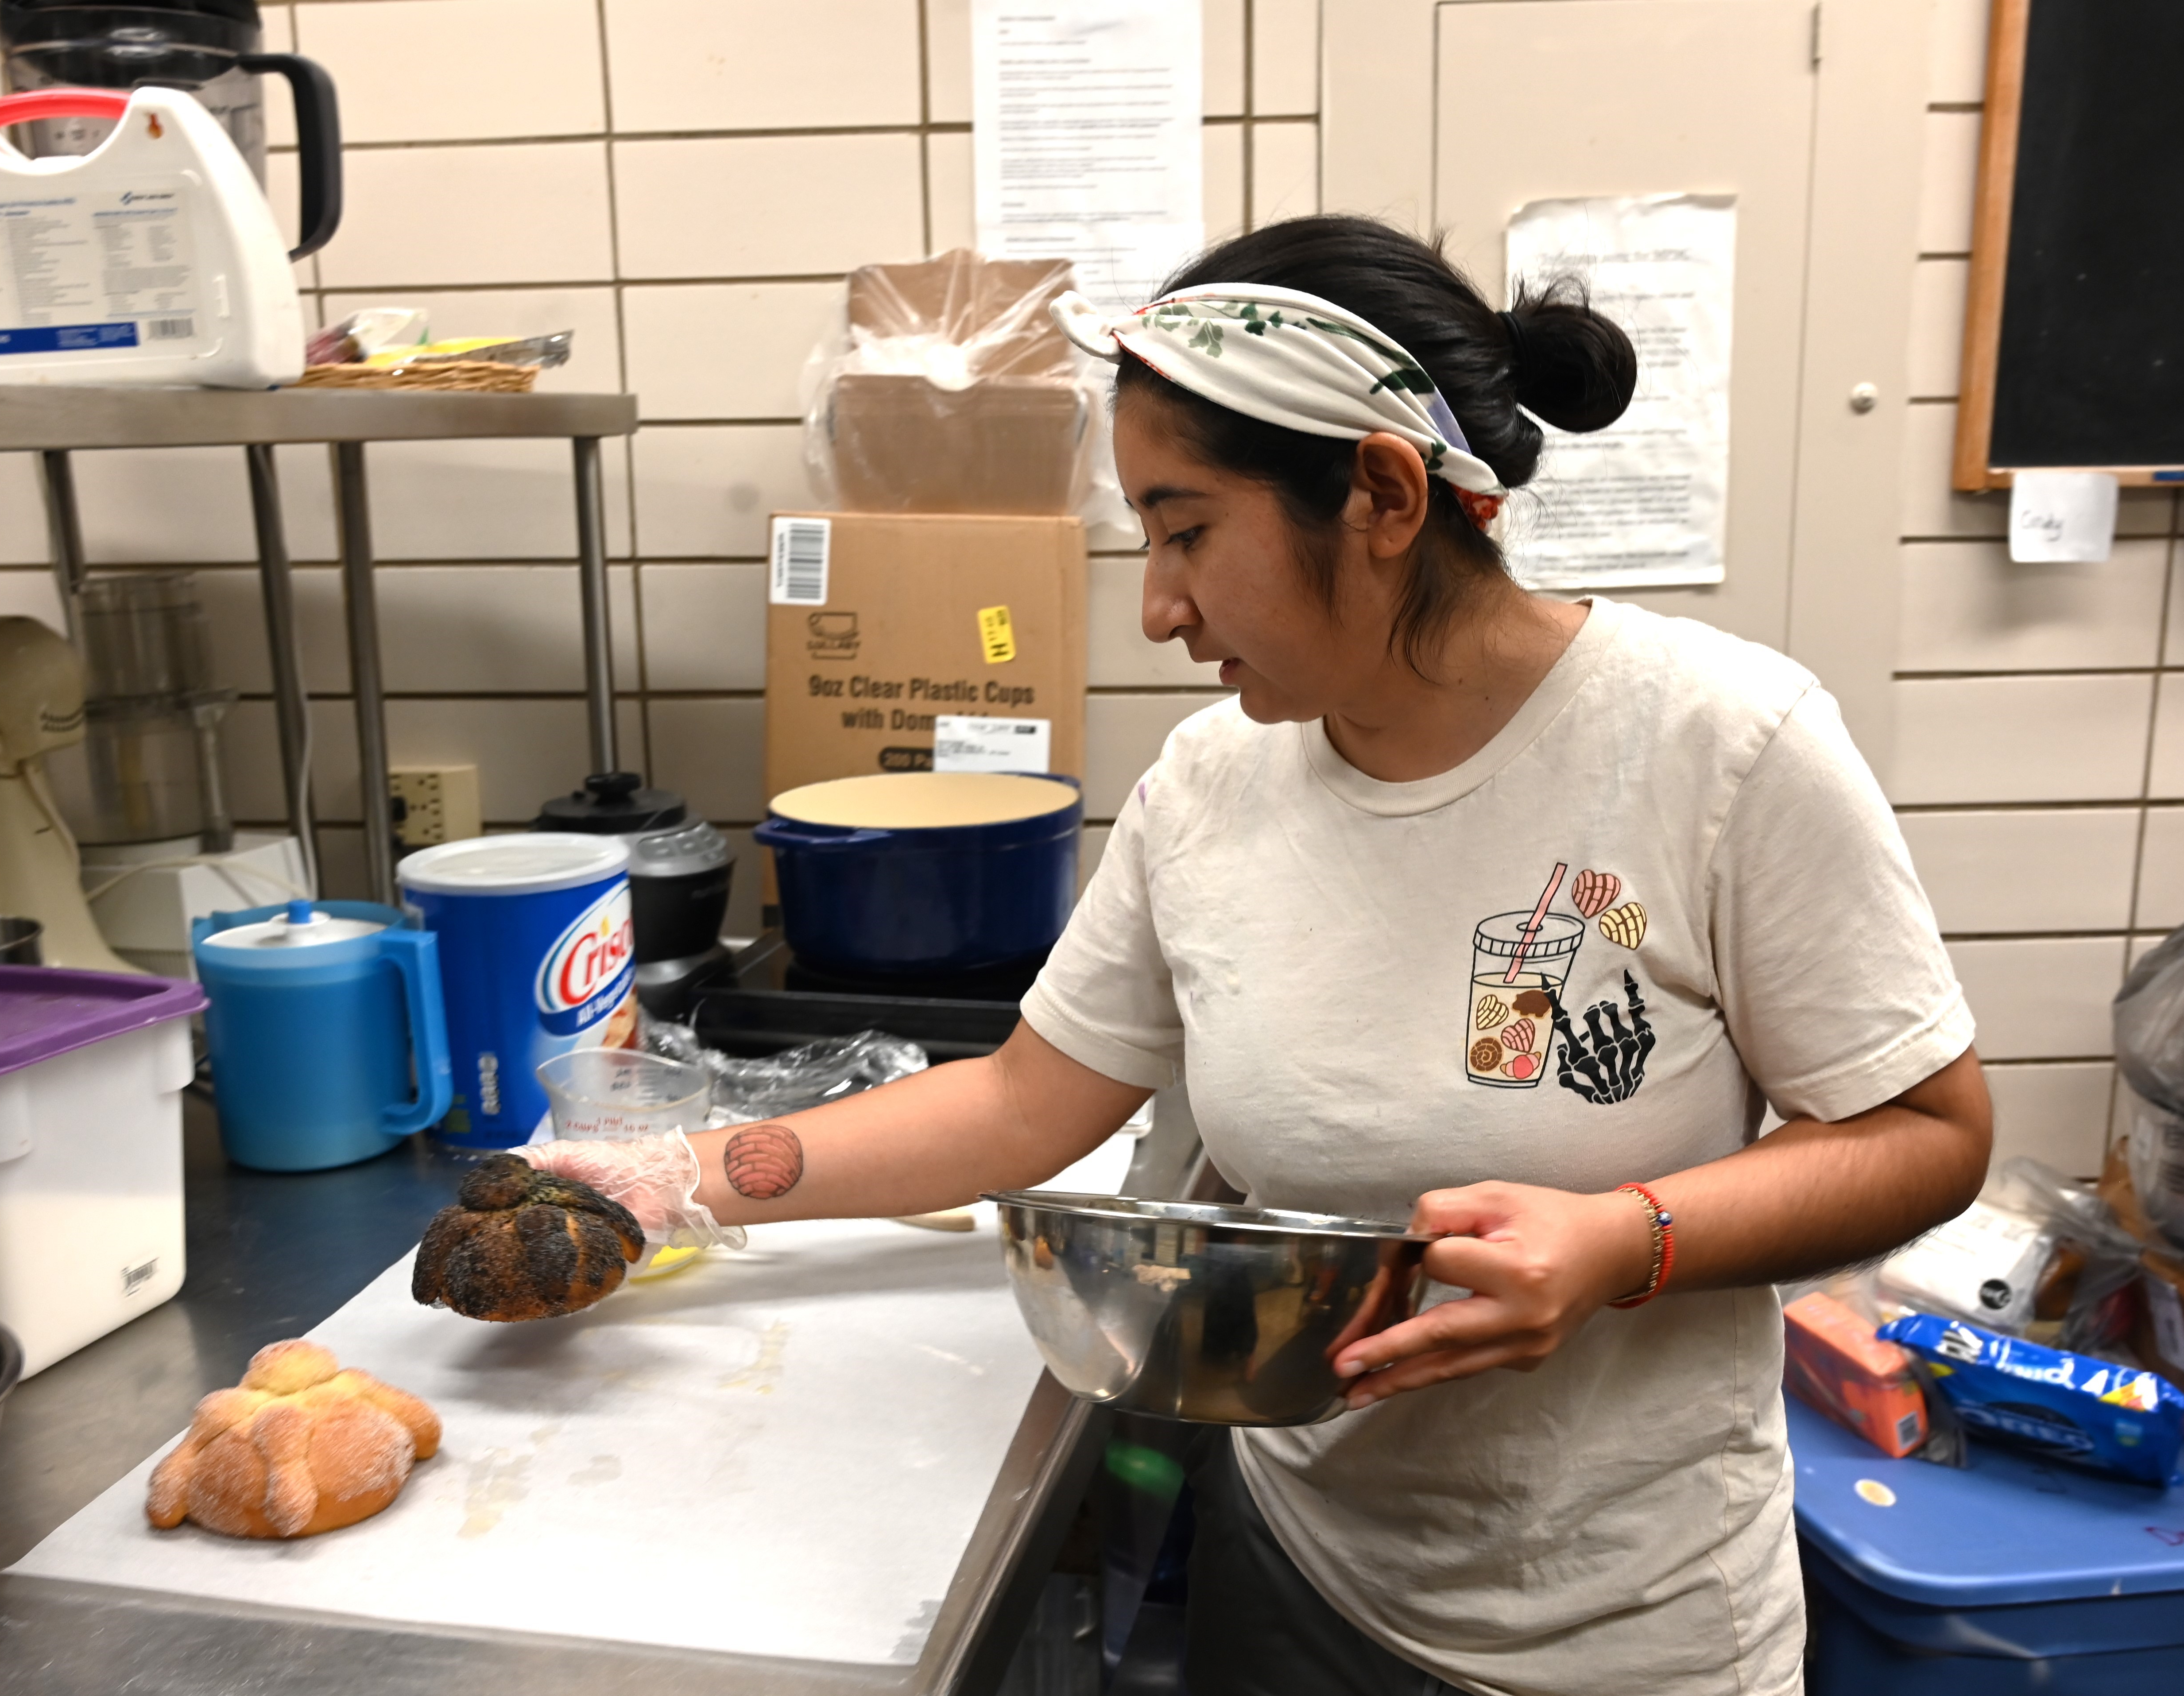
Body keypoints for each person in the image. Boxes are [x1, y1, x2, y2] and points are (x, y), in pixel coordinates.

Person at [530, 215, 1990, 1696]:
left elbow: (1924, 1136)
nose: (1158, 606)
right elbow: (1024, 1102)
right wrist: (681, 1182)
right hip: (1302, 1573)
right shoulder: (1211, 786)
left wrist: (1626, 1240)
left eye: (1186, 532)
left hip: (1627, 1629)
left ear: (1381, 491)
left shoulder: (1719, 744)